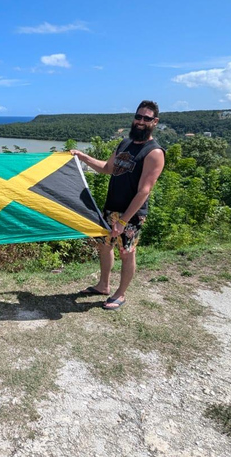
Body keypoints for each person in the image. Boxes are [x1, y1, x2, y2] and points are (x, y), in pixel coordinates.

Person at [71, 100, 165, 310]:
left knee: (127, 252)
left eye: (146, 118)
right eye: (138, 116)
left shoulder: (154, 152)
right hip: (111, 207)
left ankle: (120, 294)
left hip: (131, 214)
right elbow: (107, 168)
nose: (141, 121)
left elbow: (144, 191)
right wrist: (83, 156)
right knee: (104, 247)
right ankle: (103, 285)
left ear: (155, 122)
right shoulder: (125, 143)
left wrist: (123, 220)